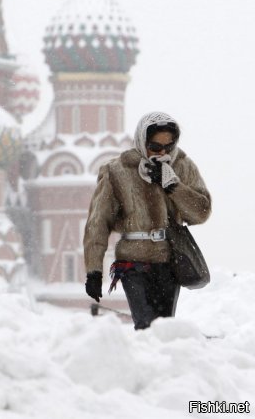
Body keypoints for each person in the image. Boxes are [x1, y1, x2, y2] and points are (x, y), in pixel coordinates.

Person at [83, 112, 211, 329]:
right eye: (154, 146)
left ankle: (159, 362)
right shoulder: (117, 170)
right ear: (142, 141)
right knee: (144, 324)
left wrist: (173, 186)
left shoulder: (182, 166)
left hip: (169, 260)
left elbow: (201, 213)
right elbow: (98, 222)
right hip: (133, 262)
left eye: (168, 147)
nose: (161, 153)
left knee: (162, 327)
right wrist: (93, 271)